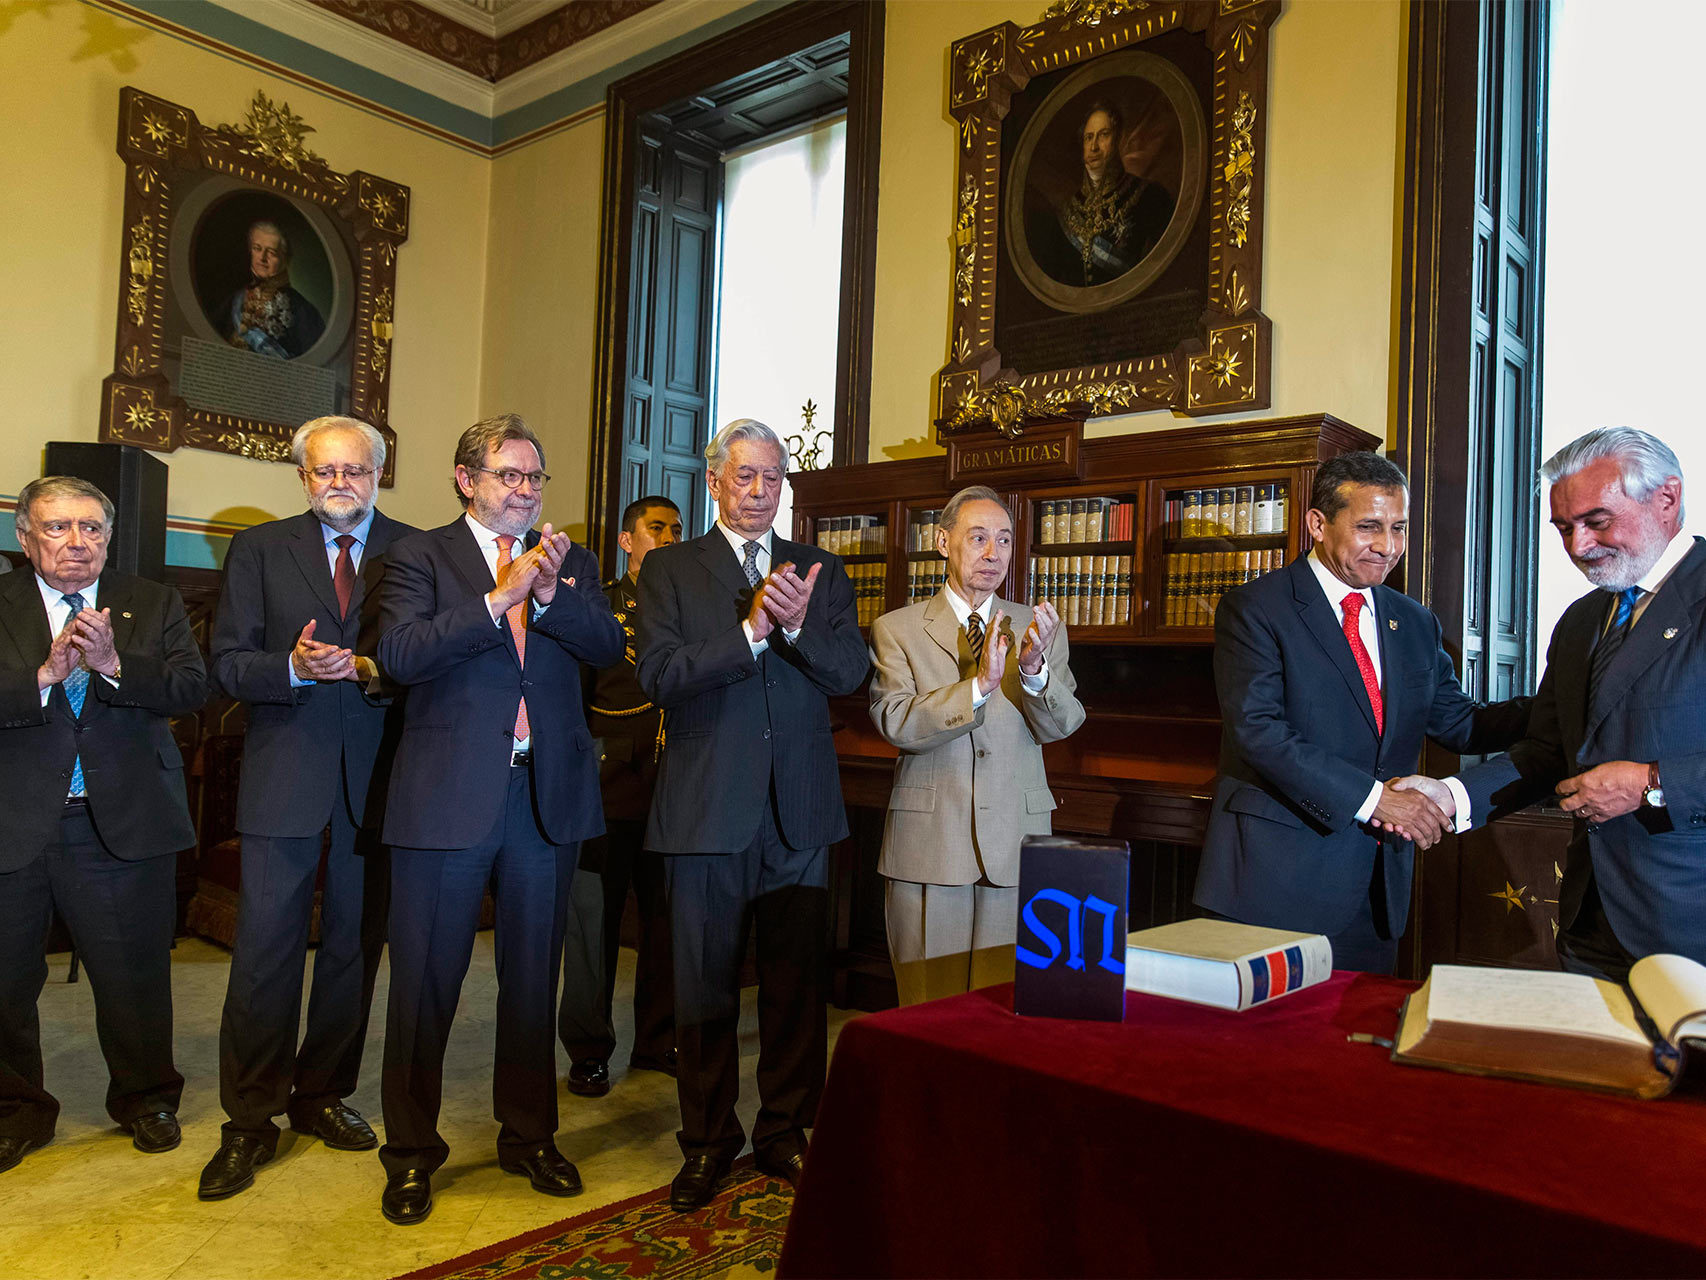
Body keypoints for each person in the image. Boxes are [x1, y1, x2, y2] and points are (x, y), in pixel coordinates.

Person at [373, 414, 622, 1225]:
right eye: (509, 476)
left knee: (530, 983)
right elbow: (403, 656)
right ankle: (410, 1154)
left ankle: (529, 1136)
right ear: (465, 479)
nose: (525, 491)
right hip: (446, 800)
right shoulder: (417, 555)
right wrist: (497, 599)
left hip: (542, 798)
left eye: (535, 478)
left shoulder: (570, 561)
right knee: (424, 987)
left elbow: (608, 651)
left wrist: (547, 595)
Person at [635, 418, 869, 1210]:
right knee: (702, 991)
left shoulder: (820, 570)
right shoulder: (670, 569)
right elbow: (662, 677)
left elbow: (848, 673)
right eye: (747, 477)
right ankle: (705, 1143)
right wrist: (752, 630)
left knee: (797, 989)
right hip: (705, 811)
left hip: (798, 811)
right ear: (714, 481)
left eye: (774, 478)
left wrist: (798, 624)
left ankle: (784, 1134)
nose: (762, 492)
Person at [1192, 452, 1531, 973]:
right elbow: (1258, 733)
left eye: (1398, 528)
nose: (1388, 547)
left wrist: (1561, 705)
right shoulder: (1255, 609)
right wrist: (1377, 801)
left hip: (1375, 887)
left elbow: (1460, 723)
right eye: (1369, 527)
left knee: (1353, 1041)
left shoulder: (1414, 622)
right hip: (1273, 885)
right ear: (1317, 524)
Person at [1392, 428, 1706, 980]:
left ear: (1667, 498)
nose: (1578, 547)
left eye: (1597, 522)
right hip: (1589, 925)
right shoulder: (1582, 620)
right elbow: (1546, 750)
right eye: (1564, 528)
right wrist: (1449, 795)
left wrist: (1650, 782)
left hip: (1690, 928)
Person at [198, 416, 417, 1200]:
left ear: (378, 473)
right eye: (325, 472)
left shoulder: (416, 549)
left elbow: (427, 661)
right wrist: (290, 667)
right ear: (302, 478)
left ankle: (322, 1094)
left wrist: (366, 669)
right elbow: (227, 662)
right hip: (284, 773)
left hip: (380, 778)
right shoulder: (259, 550)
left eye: (355, 470)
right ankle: (249, 1120)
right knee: (264, 955)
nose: (340, 484)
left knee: (357, 950)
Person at [0, 476, 207, 1174]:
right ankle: (16, 1109)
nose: (76, 542)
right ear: (25, 538)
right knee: (3, 982)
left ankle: (147, 1099)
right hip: (14, 820)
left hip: (120, 822)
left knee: (134, 977)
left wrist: (115, 664)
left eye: (90, 528)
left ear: (108, 538)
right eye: (57, 528)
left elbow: (191, 691)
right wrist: (44, 673)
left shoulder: (155, 601)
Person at [868, 486, 1085, 1004]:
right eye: (980, 538)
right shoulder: (896, 629)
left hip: (1016, 844)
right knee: (927, 1016)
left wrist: (1033, 674)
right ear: (943, 541)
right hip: (929, 848)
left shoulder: (1037, 627)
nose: (994, 554)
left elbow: (1066, 722)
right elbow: (894, 721)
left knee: (1003, 1018)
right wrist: (976, 690)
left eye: (1005, 541)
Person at [559, 495, 681, 1099]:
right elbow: (571, 702)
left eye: (677, 530)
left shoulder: (690, 609)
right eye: (656, 529)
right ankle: (588, 1049)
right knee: (591, 927)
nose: (668, 538)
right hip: (605, 790)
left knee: (667, 924)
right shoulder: (598, 607)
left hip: (674, 789)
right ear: (627, 541)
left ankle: (658, 1040)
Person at [1031, 102, 1174, 288]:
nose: (1094, 147)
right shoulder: (1068, 210)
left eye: (1103, 135)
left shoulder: (1150, 197)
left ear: (1119, 138)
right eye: (1088, 138)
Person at [222, 219, 325, 360]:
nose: (262, 258)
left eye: (271, 252)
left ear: (285, 260)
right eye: (257, 249)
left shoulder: (303, 309)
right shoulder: (235, 298)